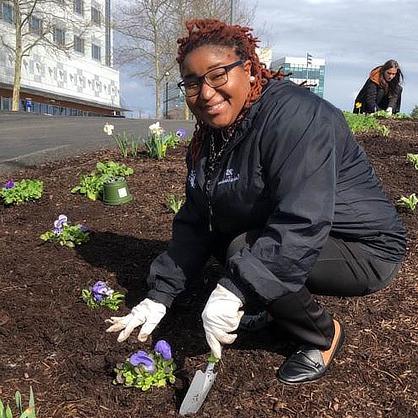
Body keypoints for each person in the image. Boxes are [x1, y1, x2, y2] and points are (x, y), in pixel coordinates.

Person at [106, 19, 406, 385]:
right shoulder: (211, 137)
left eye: (217, 75)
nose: (206, 92)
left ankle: (322, 336)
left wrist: (237, 288)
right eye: (192, 83)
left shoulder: (297, 117)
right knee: (225, 231)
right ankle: (270, 302)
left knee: (239, 248)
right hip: (309, 233)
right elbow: (199, 218)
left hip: (364, 247)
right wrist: (160, 295)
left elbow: (304, 220)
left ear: (247, 70)